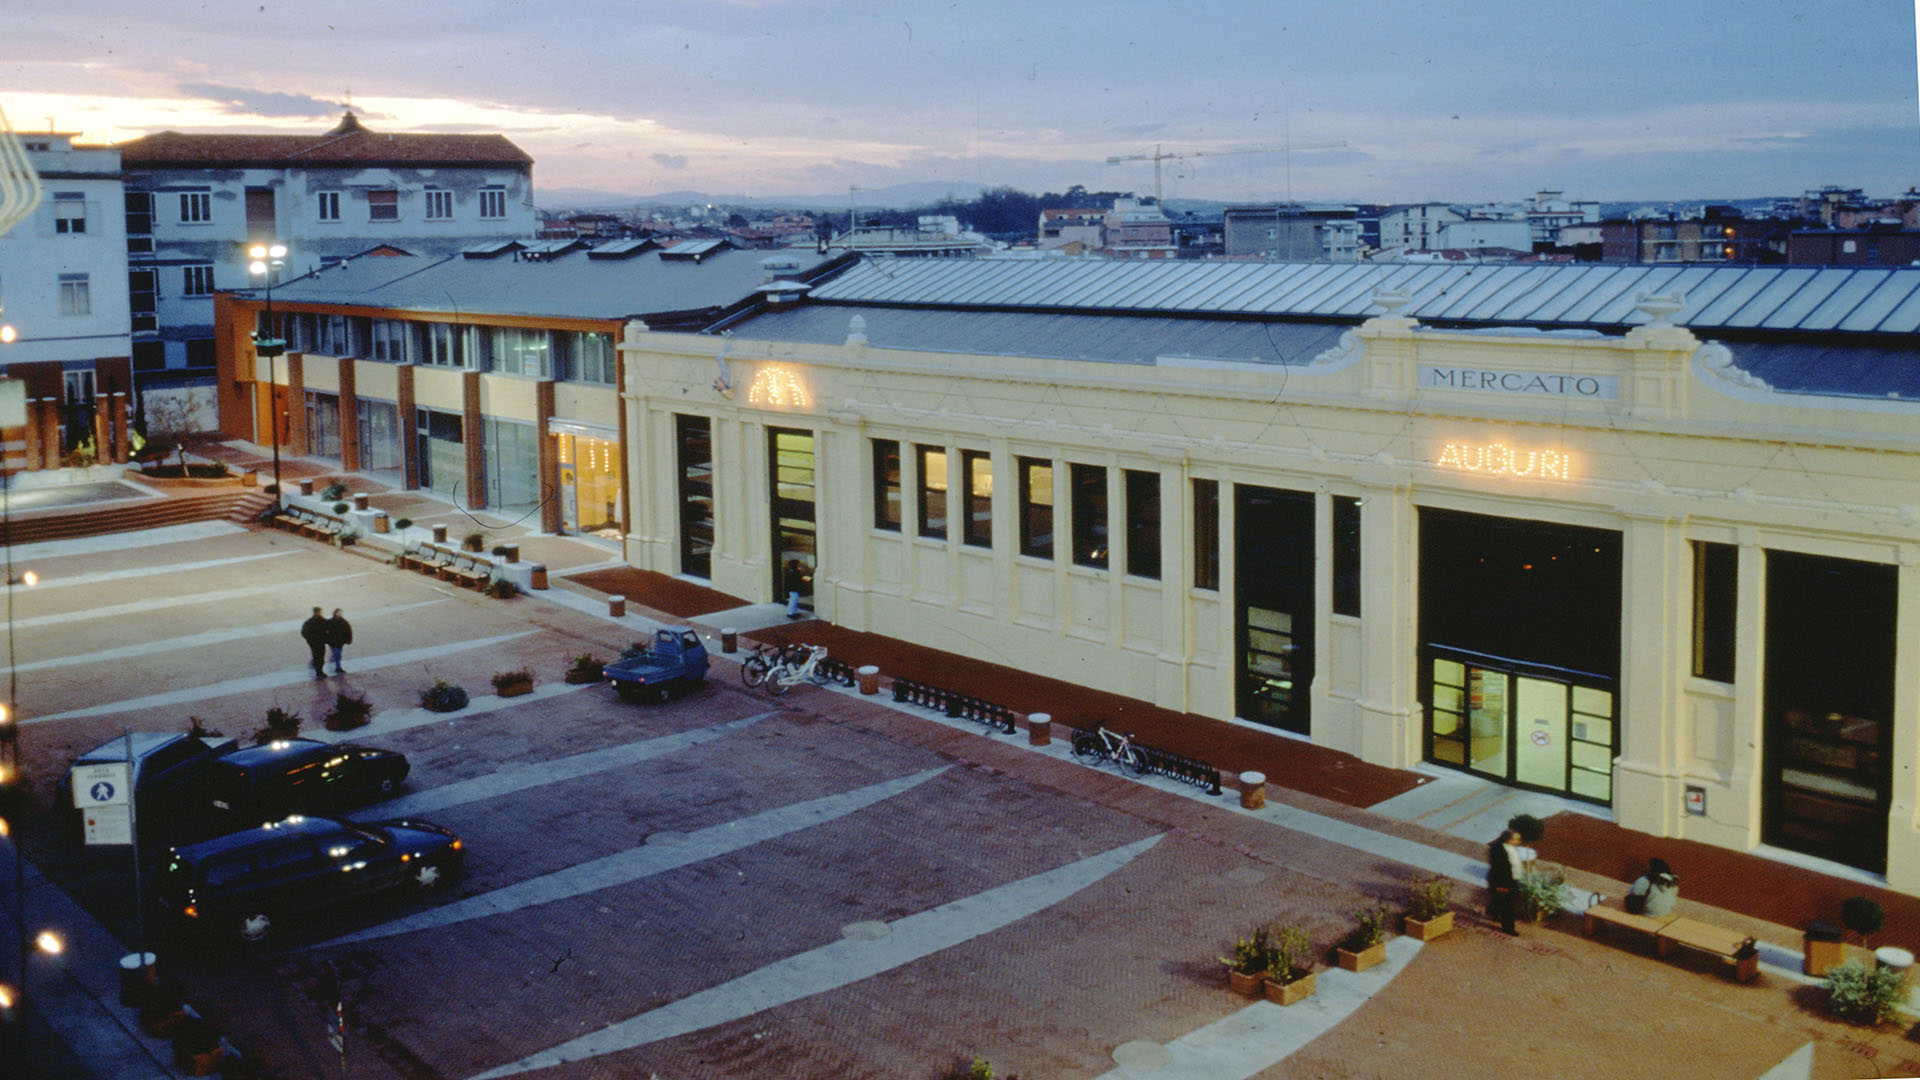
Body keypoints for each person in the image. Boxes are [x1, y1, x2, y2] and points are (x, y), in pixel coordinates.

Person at [1486, 828, 1536, 935]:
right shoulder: (1498, 850)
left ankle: (1492, 912)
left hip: (1512, 879)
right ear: (1508, 839)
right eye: (1516, 839)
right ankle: (1508, 928)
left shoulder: (1510, 847)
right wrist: (1499, 885)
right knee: (1508, 906)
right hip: (1504, 882)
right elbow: (1497, 869)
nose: (1519, 842)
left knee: (1501, 900)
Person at [299, 607, 329, 678]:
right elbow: (304, 632)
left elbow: (304, 632)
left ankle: (319, 671)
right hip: (317, 642)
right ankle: (319, 672)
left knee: (319, 656)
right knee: (319, 656)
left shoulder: (310, 622)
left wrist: (309, 640)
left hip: (317, 642)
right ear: (318, 612)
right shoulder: (320, 621)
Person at [325, 608, 354, 675]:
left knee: (338, 654)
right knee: (337, 654)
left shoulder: (344, 622)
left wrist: (348, 640)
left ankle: (337, 664)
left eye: (340, 613)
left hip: (339, 642)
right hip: (334, 641)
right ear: (335, 613)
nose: (340, 614)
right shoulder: (332, 621)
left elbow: (348, 631)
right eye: (339, 613)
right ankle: (338, 667)